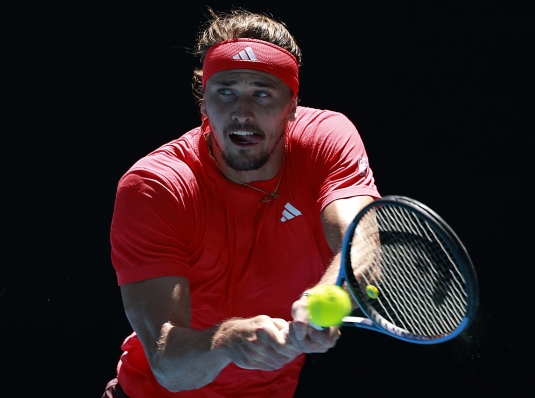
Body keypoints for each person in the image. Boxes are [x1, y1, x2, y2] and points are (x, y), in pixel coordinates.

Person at [103, 9, 380, 398]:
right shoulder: (156, 186)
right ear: (204, 103)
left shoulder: (326, 141)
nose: (242, 113)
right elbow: (168, 367)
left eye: (262, 93)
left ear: (292, 106)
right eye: (226, 90)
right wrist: (227, 341)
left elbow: (361, 239)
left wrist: (324, 298)